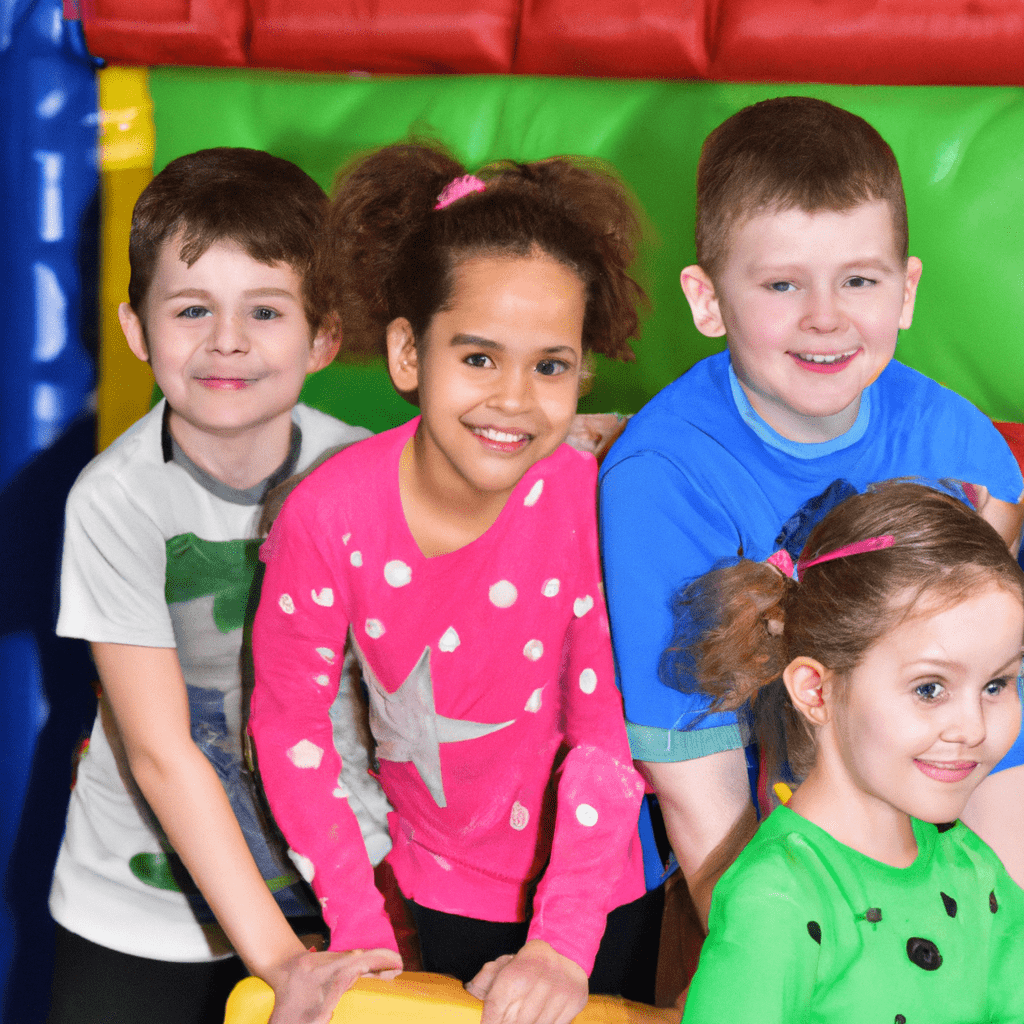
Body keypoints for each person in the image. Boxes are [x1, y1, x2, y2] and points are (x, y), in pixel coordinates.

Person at [249, 142, 653, 1024]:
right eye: (478, 358)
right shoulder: (326, 517)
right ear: (407, 354)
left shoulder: (589, 504)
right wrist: (358, 922)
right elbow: (290, 726)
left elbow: (604, 735)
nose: (513, 398)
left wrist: (562, 940)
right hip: (438, 883)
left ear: (582, 371)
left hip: (599, 888)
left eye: (549, 365)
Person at [598, 96, 1024, 930]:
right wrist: (778, 940)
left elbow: (997, 717)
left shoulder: (965, 451)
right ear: (708, 298)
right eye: (783, 283)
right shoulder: (661, 477)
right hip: (772, 792)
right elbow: (693, 766)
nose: (825, 317)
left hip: (944, 764)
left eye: (858, 280)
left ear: (905, 291)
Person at [47, 148, 401, 1024]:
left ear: (323, 337)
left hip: (337, 890)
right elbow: (163, 755)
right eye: (193, 308)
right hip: (142, 913)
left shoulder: (364, 472)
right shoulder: (115, 499)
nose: (228, 341)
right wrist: (279, 962)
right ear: (137, 330)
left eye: (266, 311)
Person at [662, 482, 1024, 1022]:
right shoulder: (777, 899)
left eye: (997, 684)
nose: (973, 728)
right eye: (930, 688)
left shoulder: (977, 875)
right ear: (816, 691)